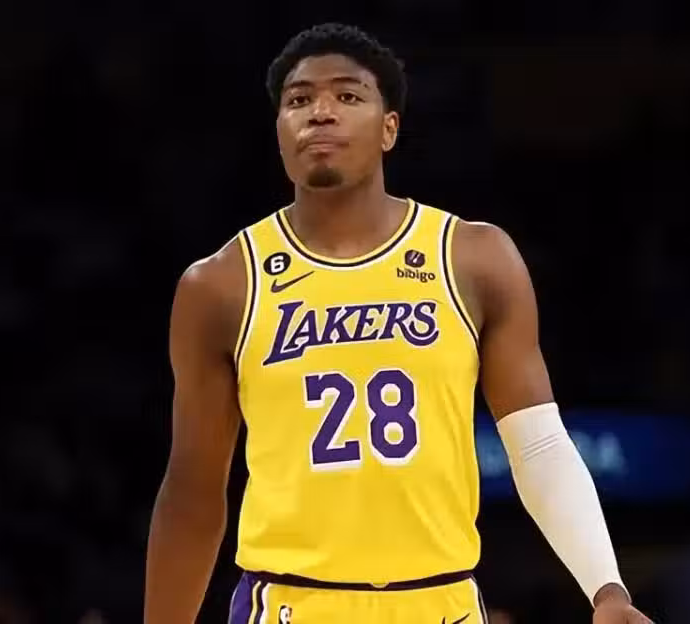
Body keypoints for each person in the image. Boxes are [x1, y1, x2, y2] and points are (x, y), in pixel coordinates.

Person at [144, 23, 654, 624]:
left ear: (389, 128)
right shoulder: (221, 284)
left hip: (442, 602)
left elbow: (538, 446)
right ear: (279, 131)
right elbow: (194, 487)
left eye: (347, 95)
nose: (321, 112)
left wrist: (606, 589)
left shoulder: (473, 258)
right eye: (299, 100)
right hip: (289, 602)